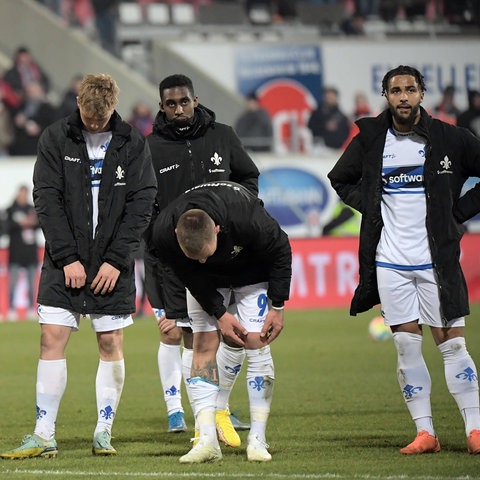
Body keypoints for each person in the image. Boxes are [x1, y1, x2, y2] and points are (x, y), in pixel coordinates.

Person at [0, 73, 157, 459]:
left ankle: (104, 431)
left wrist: (117, 261)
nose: (93, 123)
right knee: (51, 338)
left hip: (112, 266)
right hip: (63, 262)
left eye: (101, 119)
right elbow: (46, 199)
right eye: (88, 115)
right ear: (79, 103)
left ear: (113, 109)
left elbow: (142, 202)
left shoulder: (132, 143)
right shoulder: (55, 137)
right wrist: (67, 255)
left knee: (110, 343)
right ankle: (43, 434)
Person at [328, 65, 480, 455]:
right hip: (390, 263)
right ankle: (425, 433)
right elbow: (340, 178)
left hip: (437, 262)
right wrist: (372, 206)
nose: (403, 97)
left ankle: (475, 430)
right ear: (386, 96)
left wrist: (458, 213)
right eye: (395, 90)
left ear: (422, 94)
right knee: (406, 348)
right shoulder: (371, 140)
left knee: (453, 347)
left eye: (410, 89)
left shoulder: (450, 138)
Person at [144, 73, 258, 440]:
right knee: (190, 337)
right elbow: (145, 209)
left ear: (195, 100)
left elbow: (249, 179)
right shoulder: (149, 149)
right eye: (171, 104)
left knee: (228, 338)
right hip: (176, 260)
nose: (179, 109)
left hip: (223, 257)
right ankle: (188, 414)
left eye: (184, 101)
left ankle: (217, 408)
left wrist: (240, 216)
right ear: (162, 107)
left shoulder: (222, 136)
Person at [151, 180, 292, 463]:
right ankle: (206, 441)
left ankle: (258, 439)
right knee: (202, 345)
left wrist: (277, 306)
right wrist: (219, 313)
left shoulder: (246, 217)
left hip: (251, 271)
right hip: (206, 283)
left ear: (217, 230)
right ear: (178, 234)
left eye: (205, 254)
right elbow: (190, 274)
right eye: (195, 257)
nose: (201, 260)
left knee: (256, 341)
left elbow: (281, 250)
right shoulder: (164, 232)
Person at [6, 185, 40, 320]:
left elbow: (40, 225)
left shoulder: (32, 210)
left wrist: (32, 222)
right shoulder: (10, 210)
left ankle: (32, 309)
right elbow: (6, 227)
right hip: (15, 254)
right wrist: (20, 223)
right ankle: (11, 309)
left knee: (32, 283)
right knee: (12, 283)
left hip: (30, 254)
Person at [9, 80, 57, 156]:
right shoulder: (21, 106)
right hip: (21, 148)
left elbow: (55, 127)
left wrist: (39, 128)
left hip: (41, 147)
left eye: (35, 91)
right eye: (30, 91)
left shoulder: (48, 108)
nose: (32, 94)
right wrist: (19, 122)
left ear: (41, 91)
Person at [307, 86, 351, 151]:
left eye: (332, 96)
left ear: (336, 97)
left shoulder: (341, 115)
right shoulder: (318, 112)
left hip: (337, 149)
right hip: (320, 147)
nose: (329, 98)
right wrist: (324, 126)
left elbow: (346, 132)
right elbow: (310, 126)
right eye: (328, 96)